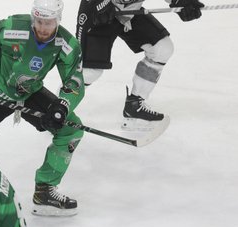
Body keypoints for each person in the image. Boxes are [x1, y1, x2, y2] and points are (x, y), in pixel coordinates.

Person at [0, 0, 85, 216]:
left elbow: (75, 79)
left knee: (71, 129)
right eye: (38, 21)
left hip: (28, 93)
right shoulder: (13, 26)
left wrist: (63, 105)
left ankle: (45, 190)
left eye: (48, 23)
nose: (42, 28)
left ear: (58, 20)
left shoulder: (66, 44)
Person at [76, 0, 204, 130]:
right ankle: (59, 109)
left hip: (129, 11)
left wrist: (181, 2)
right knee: (89, 72)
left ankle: (134, 105)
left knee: (162, 49)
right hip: (97, 12)